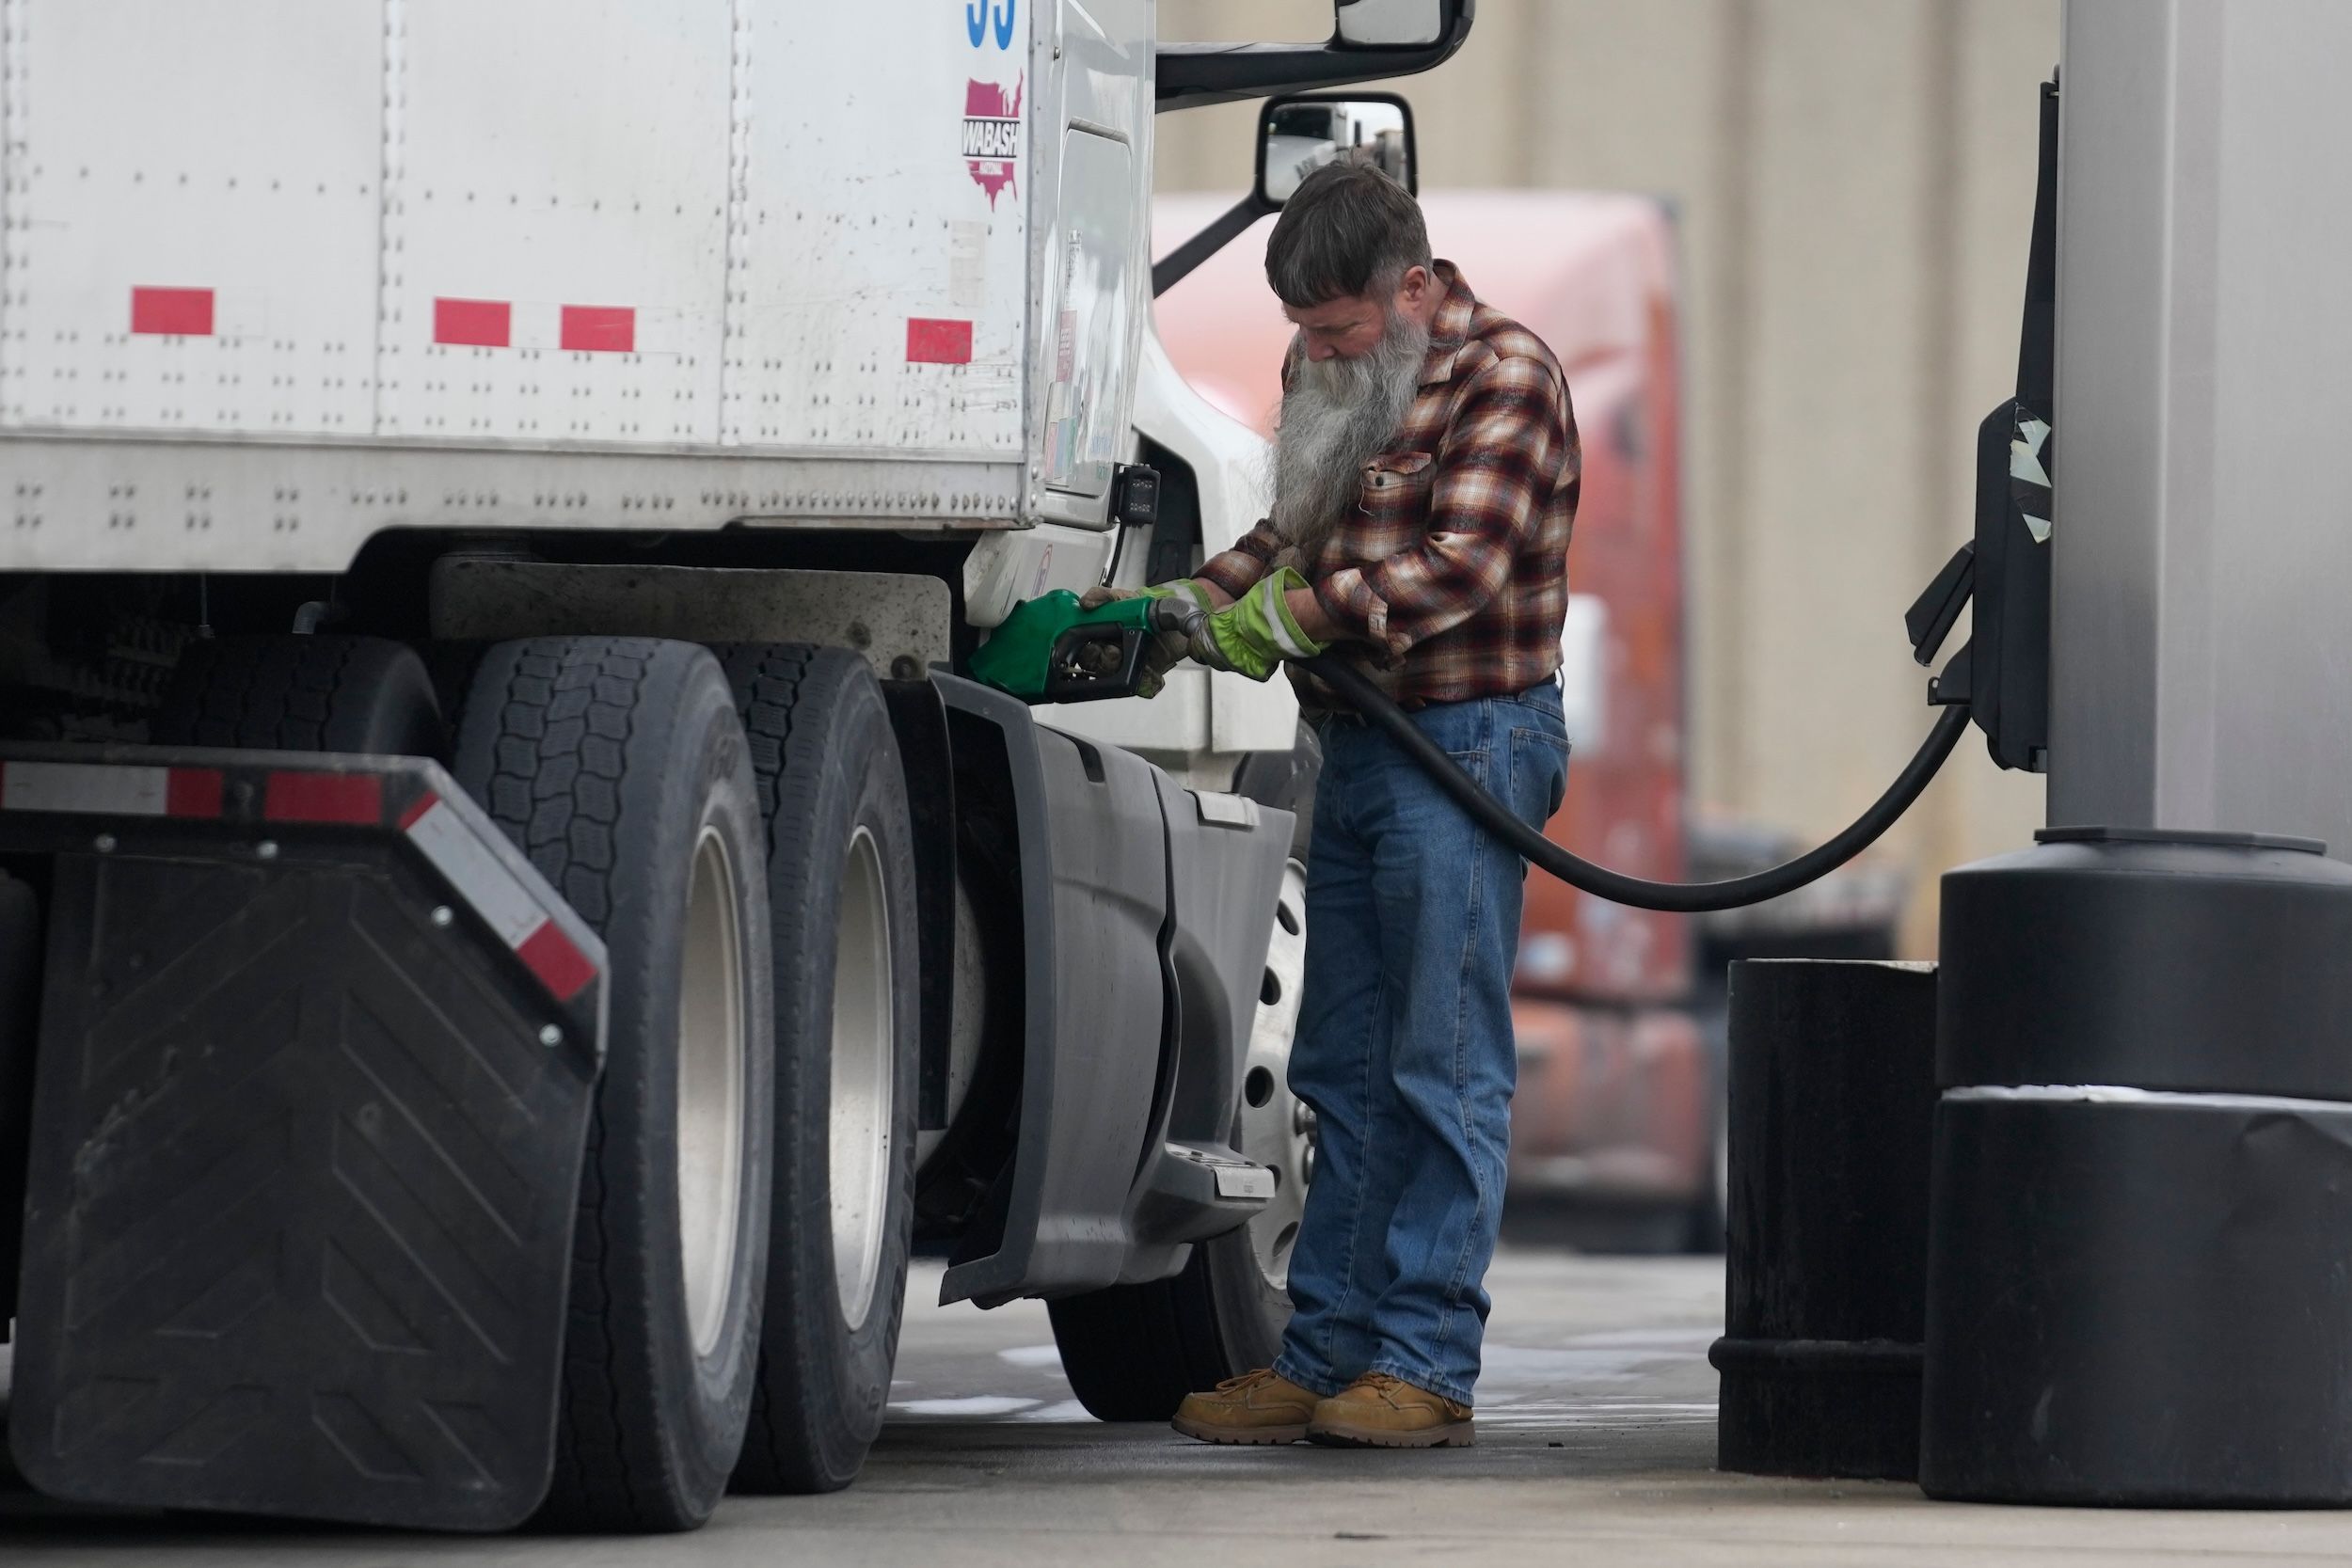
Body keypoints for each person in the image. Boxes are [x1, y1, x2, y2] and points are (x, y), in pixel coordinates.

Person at [1095, 161, 1579, 1448]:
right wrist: (1190, 602)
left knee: (1441, 1065)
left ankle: (1426, 1365)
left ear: (1412, 286)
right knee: (1341, 1068)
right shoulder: (1342, 365)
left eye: (1337, 329)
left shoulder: (1506, 378)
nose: (1313, 352)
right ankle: (1319, 1359)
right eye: (1301, 331)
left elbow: (1458, 569)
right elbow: (1293, 532)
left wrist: (1289, 619)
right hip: (1363, 747)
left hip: (1468, 745)